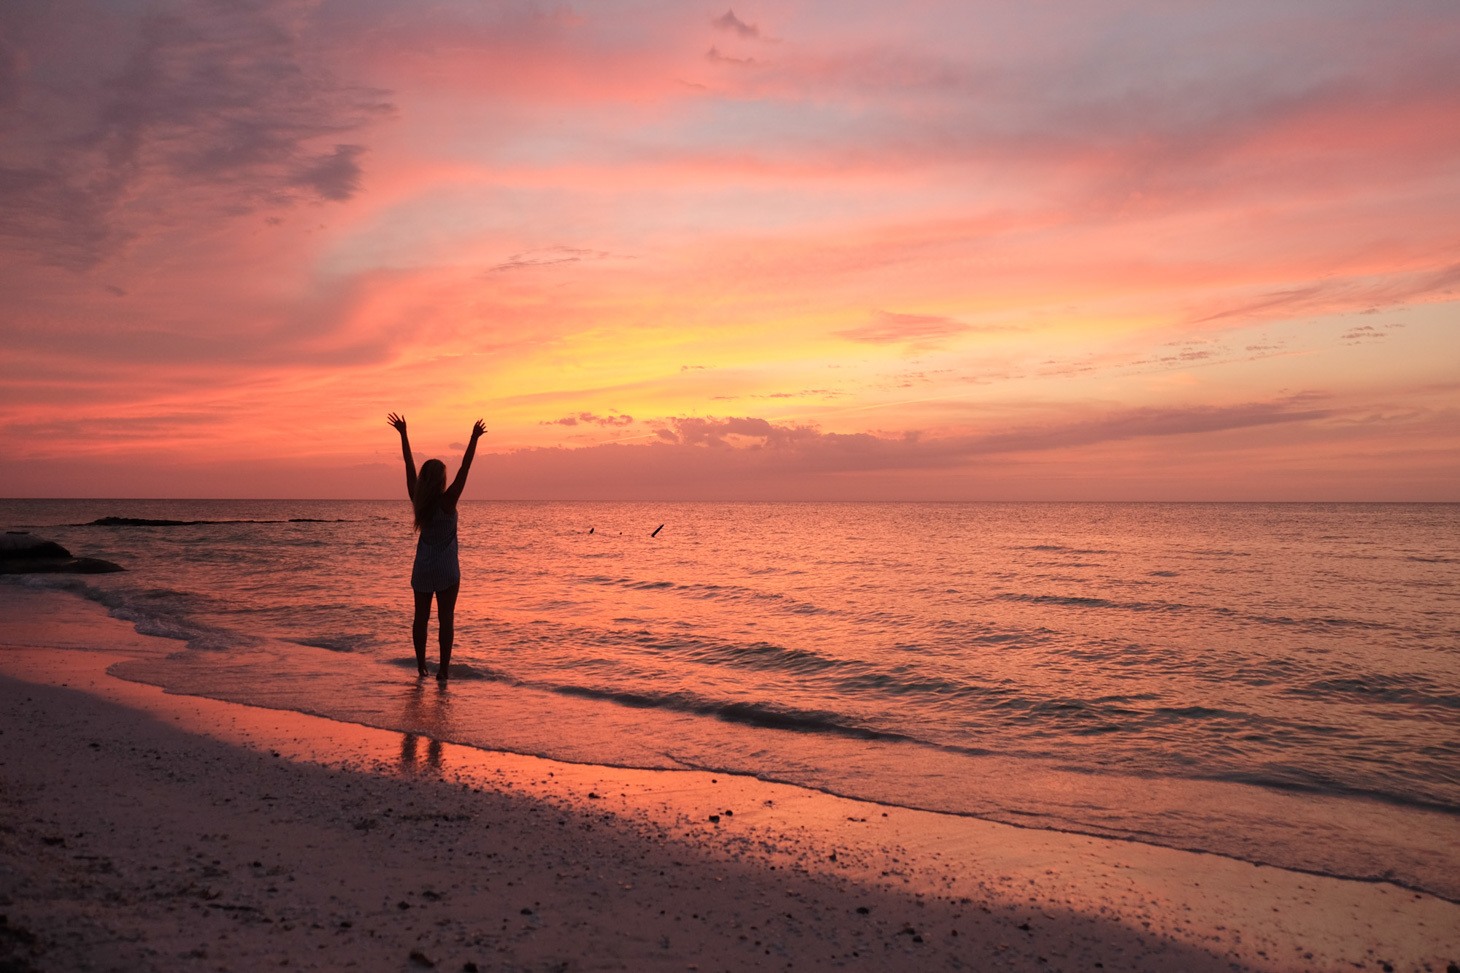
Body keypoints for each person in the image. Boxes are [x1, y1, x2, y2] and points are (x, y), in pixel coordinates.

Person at [386, 413, 487, 682]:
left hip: (423, 569)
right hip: (447, 572)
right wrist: (474, 438)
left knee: (421, 619)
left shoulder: (418, 500)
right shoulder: (448, 501)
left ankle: (421, 667)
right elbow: (465, 468)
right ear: (441, 480)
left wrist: (403, 435)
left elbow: (408, 465)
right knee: (446, 620)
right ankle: (443, 671)